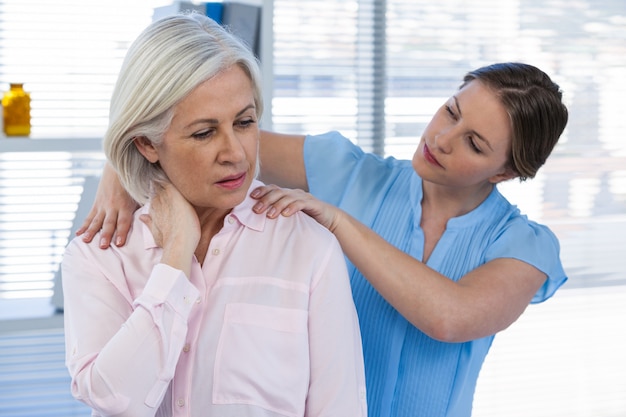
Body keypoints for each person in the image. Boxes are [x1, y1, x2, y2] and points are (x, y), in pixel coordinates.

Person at [80, 62, 569, 417]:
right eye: (450, 112)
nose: (442, 138)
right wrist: (116, 171)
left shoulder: (524, 246)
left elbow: (451, 316)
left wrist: (340, 223)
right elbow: (189, 135)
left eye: (474, 143)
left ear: (506, 171)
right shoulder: (348, 169)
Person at [61, 13, 367, 417]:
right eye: (204, 133)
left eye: (244, 122)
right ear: (147, 144)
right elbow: (114, 400)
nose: (236, 153)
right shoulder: (100, 257)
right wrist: (175, 257)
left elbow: (340, 407)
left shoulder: (309, 249)